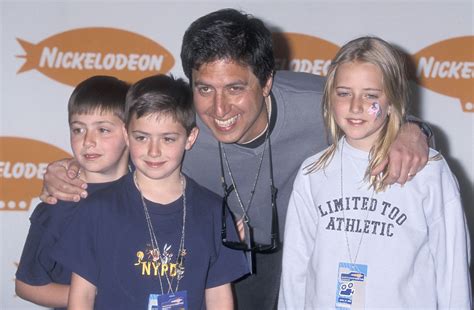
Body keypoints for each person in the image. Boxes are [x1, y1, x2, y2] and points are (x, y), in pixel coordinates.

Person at [39, 9, 431, 309]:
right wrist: (69, 169)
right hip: (216, 267)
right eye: (205, 88)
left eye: (235, 88)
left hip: (304, 262)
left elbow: (374, 110)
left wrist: (414, 131)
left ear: (266, 83)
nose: (219, 107)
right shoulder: (181, 124)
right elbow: (125, 139)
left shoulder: (317, 105)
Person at [278, 36, 471, 309]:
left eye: (370, 96)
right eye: (344, 93)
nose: (356, 106)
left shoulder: (428, 170)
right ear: (330, 96)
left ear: (392, 100)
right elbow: (295, 271)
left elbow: (452, 270)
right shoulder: (312, 172)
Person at [50, 74, 248, 309]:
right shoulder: (97, 210)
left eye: (168, 139)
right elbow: (82, 296)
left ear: (190, 137)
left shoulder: (214, 211)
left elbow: (218, 296)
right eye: (142, 137)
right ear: (126, 134)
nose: (154, 151)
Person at [15, 75, 130, 309]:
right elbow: (26, 285)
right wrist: (96, 295)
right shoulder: (60, 202)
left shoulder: (151, 194)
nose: (88, 141)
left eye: (103, 130)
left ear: (130, 133)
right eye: (78, 129)